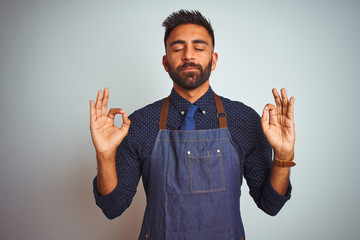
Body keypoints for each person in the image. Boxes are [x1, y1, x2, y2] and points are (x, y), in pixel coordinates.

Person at [89, 9, 295, 240]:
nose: (188, 55)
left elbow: (270, 204)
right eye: (178, 48)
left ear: (213, 60)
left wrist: (283, 155)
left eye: (199, 48)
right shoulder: (138, 123)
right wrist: (105, 155)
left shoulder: (244, 119)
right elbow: (112, 208)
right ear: (166, 62)